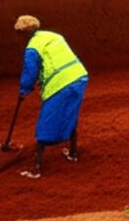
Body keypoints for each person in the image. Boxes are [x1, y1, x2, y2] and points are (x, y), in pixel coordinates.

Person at [14, 15, 89, 179]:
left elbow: (30, 72)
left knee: (46, 124)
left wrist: (24, 89)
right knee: (71, 114)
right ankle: (73, 153)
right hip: (79, 76)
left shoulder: (32, 48)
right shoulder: (53, 36)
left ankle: (37, 169)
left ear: (23, 34)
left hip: (60, 83)